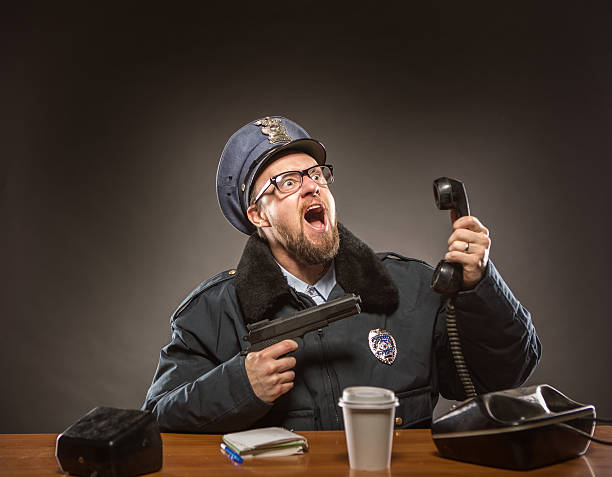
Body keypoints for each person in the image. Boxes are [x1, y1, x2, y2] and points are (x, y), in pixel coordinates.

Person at [142, 116, 541, 432]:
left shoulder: (413, 287)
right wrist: (240, 385)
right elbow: (158, 416)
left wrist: (479, 286)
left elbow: (502, 375)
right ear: (258, 215)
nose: (312, 187)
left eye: (316, 175)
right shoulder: (213, 311)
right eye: (287, 182)